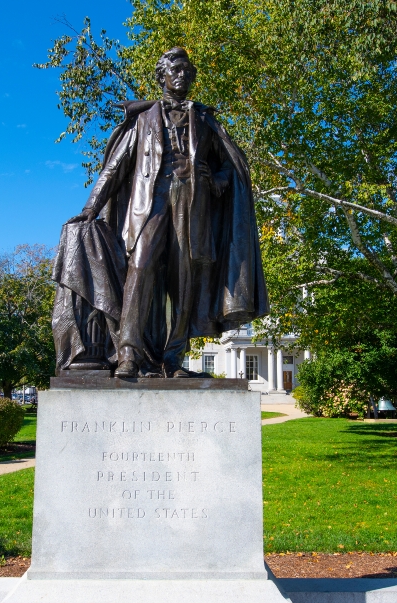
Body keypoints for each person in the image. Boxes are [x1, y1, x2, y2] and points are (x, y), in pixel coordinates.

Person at [61, 47, 268, 378]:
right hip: (150, 204)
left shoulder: (205, 120)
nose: (182, 75)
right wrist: (91, 208)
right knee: (140, 268)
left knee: (183, 282)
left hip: (193, 205)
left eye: (187, 71)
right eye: (176, 70)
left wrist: (217, 179)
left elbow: (232, 165)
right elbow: (115, 168)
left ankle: (173, 358)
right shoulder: (143, 120)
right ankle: (128, 354)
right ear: (162, 77)